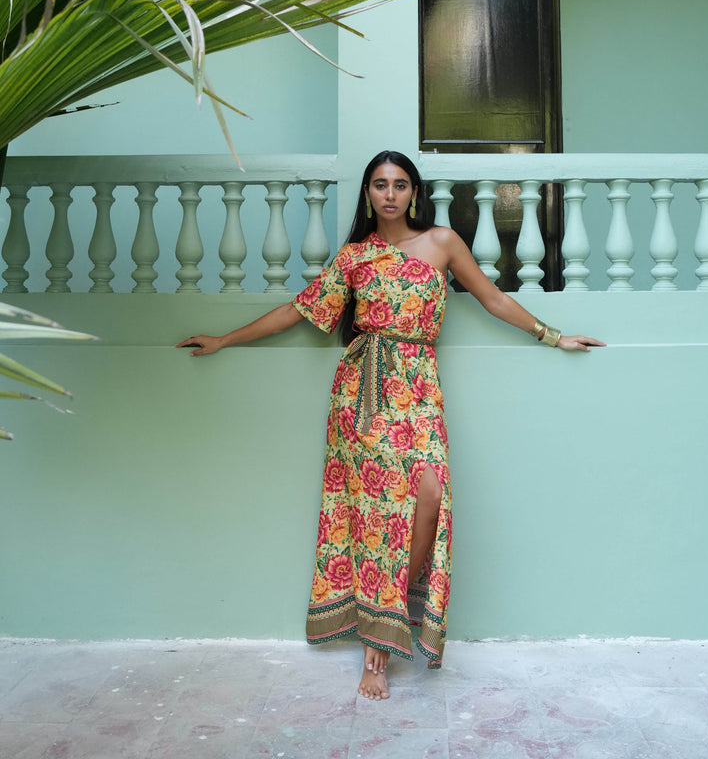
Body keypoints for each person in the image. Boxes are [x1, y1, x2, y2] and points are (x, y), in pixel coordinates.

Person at [176, 150, 604, 701]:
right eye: (380, 185)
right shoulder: (355, 258)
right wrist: (224, 339)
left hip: (419, 387)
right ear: (368, 194)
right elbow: (297, 310)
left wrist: (554, 335)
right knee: (377, 515)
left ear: (414, 193)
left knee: (428, 495)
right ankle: (374, 652)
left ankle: (394, 612)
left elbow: (493, 298)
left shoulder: (443, 243)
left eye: (400, 184)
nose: (390, 194)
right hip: (363, 396)